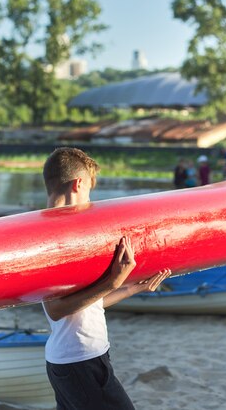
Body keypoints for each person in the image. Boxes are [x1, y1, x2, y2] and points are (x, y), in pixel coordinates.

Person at [42, 147, 171, 410]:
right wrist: (112, 281)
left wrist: (132, 288)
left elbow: (87, 305)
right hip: (79, 361)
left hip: (75, 360)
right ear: (78, 184)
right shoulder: (48, 236)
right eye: (89, 191)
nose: (91, 202)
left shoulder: (63, 230)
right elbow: (55, 309)